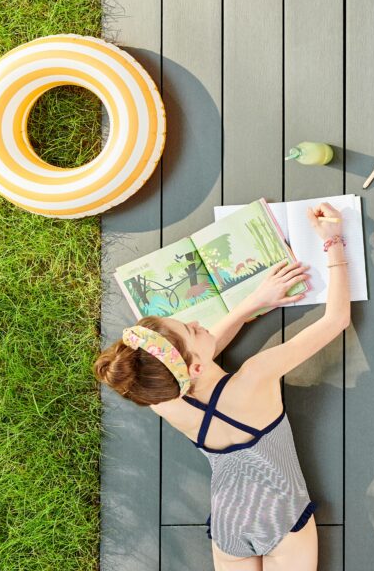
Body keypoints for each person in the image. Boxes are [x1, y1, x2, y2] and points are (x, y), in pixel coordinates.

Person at [93, 202, 351, 571]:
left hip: (230, 523)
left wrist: (252, 304)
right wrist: (334, 243)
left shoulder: (165, 401)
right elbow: (336, 318)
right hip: (281, 516)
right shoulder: (257, 374)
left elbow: (202, 357)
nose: (200, 324)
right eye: (193, 329)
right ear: (194, 365)